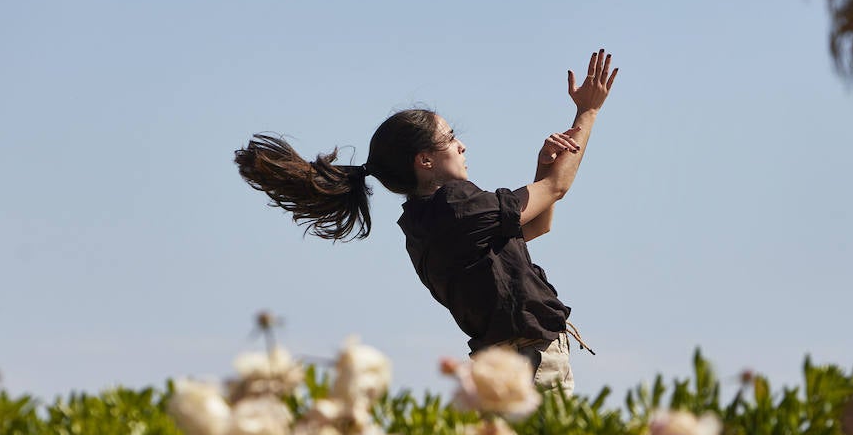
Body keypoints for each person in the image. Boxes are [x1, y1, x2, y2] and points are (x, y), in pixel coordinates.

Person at [234, 48, 619, 393]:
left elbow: (535, 226)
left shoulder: (423, 219)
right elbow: (555, 188)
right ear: (425, 160)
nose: (462, 145)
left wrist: (542, 165)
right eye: (451, 138)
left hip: (504, 366)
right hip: (529, 364)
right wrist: (588, 110)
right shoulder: (458, 205)